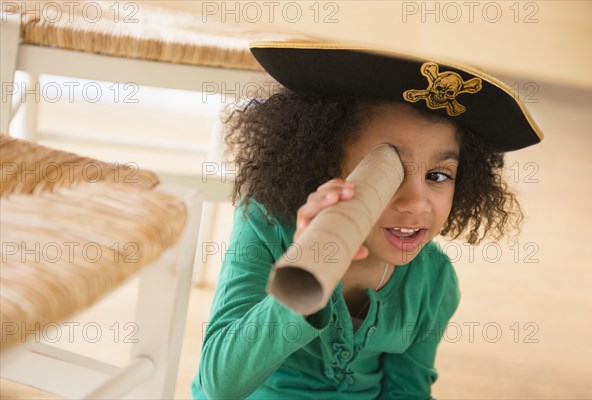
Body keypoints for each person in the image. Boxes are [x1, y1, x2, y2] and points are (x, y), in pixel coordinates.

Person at [192, 41, 543, 399]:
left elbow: (407, 390)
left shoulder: (434, 280)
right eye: (388, 172)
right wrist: (311, 265)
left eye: (438, 176)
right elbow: (220, 382)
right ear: (322, 165)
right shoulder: (265, 222)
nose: (415, 202)